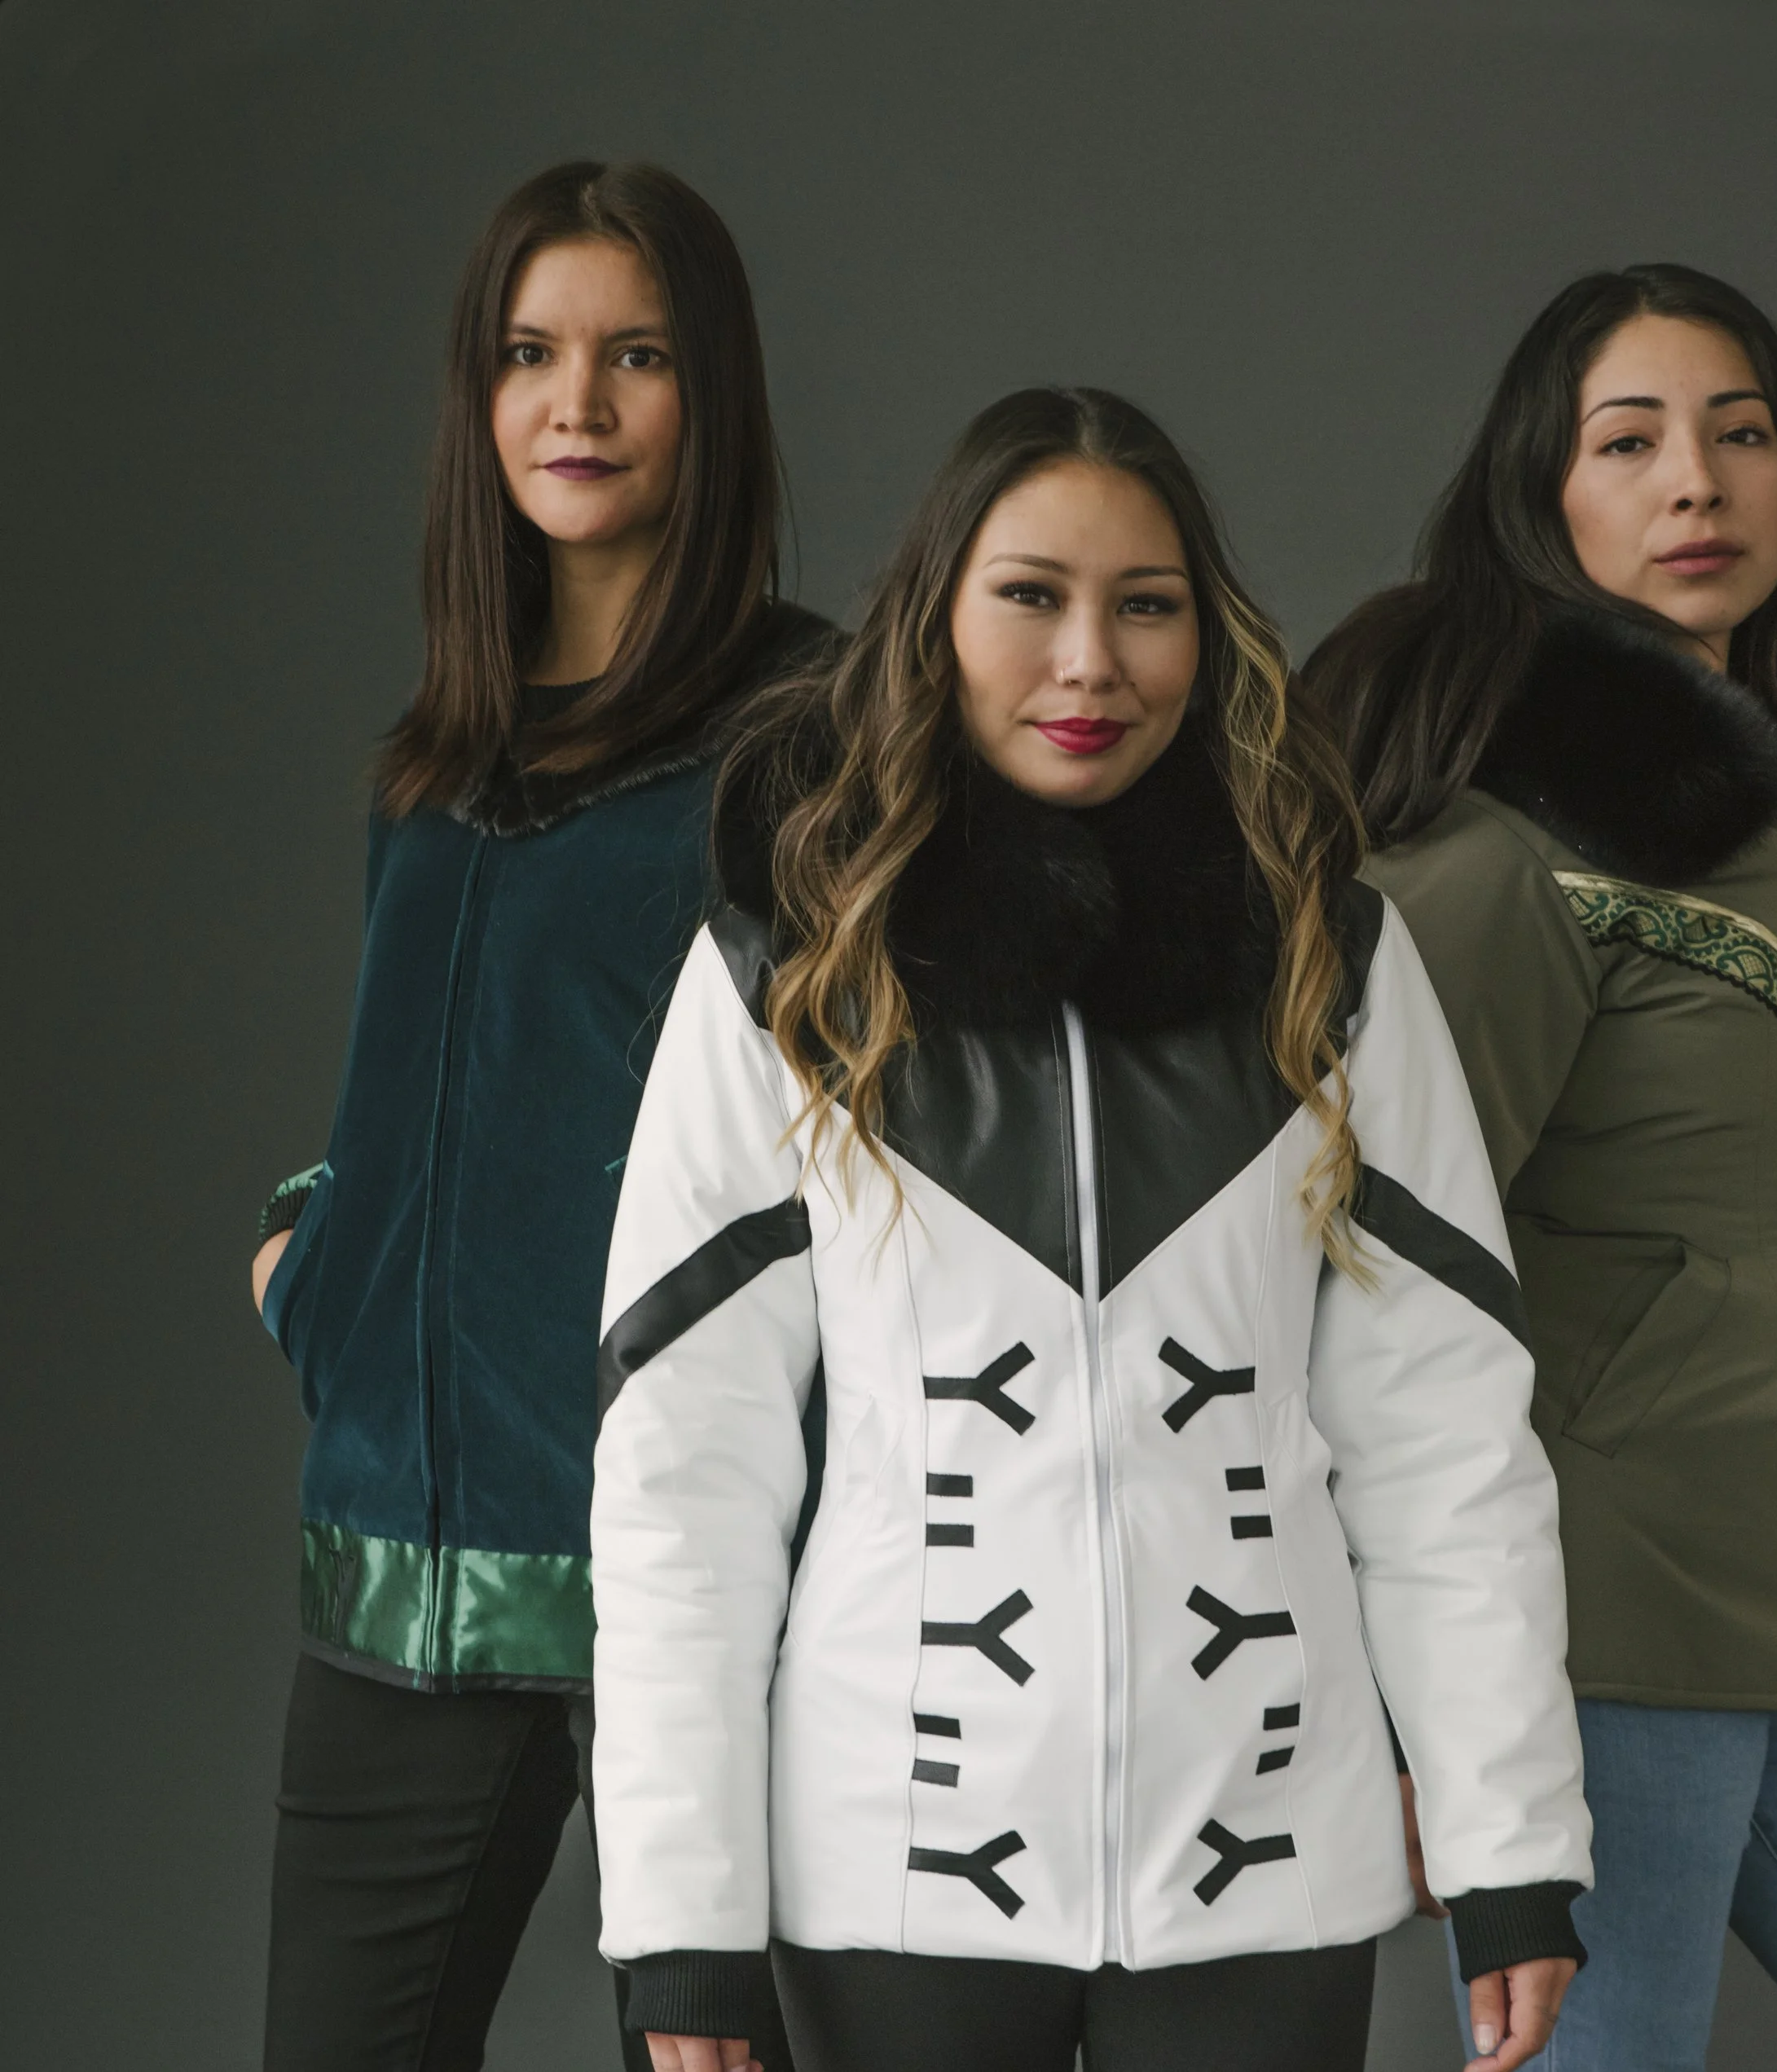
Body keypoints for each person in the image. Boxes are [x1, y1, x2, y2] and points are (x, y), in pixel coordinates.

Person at [588, 385, 1593, 2072]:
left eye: (1146, 605)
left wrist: (1507, 1847)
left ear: (1206, 638)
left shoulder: (1326, 961)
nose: (1089, 663)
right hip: (888, 1859)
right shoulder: (783, 972)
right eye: (1029, 596)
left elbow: (1443, 1439)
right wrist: (681, 1922)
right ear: (932, 618)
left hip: (1262, 1857)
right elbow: (680, 1477)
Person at [1302, 262, 1777, 2071]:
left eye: (1738, 432)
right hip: (1604, 1640)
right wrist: (1423, 1720)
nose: (1694, 482)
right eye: (1624, 442)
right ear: (1538, 503)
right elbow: (1355, 1270)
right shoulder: (1500, 857)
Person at [249, 160, 829, 2072]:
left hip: (691, 1593)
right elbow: (415, 1101)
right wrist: (310, 1265)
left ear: (711, 393)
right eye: (527, 352)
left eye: (633, 355)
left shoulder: (807, 738)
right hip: (389, 1583)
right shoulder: (436, 755)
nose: (572, 404)